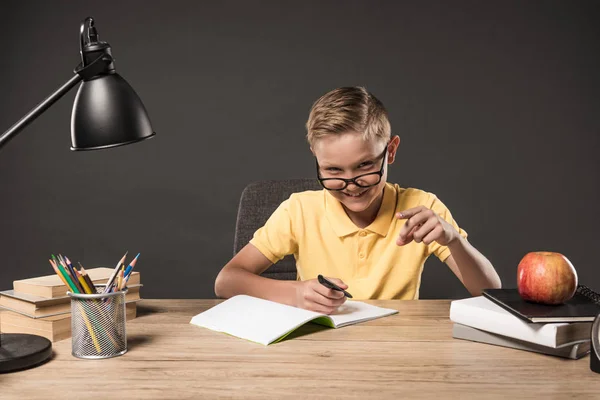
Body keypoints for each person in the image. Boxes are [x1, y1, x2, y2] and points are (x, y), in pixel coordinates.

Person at [215, 86, 501, 314]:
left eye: (365, 166)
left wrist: (453, 240)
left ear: (390, 151)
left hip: (397, 349)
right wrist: (296, 292)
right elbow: (227, 281)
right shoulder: (299, 210)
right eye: (333, 170)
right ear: (316, 157)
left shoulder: (422, 206)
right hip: (320, 348)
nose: (351, 185)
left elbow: (488, 291)